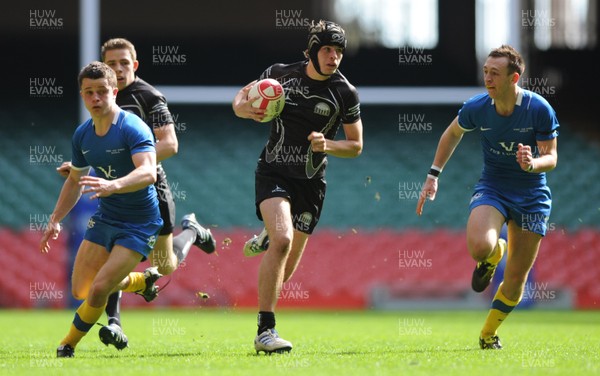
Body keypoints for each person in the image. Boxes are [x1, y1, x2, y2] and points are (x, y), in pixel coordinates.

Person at [57, 37, 216, 350]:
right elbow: (95, 150)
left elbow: (170, 144)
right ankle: (115, 322)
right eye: (111, 63)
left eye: (123, 63)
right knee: (102, 271)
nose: (117, 69)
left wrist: (125, 165)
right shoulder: (97, 95)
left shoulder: (148, 97)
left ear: (135, 65)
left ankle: (192, 233)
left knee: (165, 264)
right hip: (113, 196)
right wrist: (93, 164)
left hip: (150, 190)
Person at [232, 20, 363, 354]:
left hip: (311, 184)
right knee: (283, 240)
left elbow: (356, 145)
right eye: (327, 50)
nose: (334, 57)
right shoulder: (279, 75)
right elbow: (238, 102)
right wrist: (250, 110)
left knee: (284, 275)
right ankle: (265, 333)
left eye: (339, 51)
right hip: (273, 171)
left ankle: (270, 234)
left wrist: (327, 145)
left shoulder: (344, 93)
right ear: (312, 50)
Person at [416, 45, 559, 349]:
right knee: (480, 246)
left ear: (514, 77)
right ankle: (494, 255)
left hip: (532, 195)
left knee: (517, 279)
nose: (488, 78)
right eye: (485, 72)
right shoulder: (477, 107)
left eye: (495, 73)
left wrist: (533, 163)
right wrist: (433, 175)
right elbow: (452, 133)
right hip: (493, 187)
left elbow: (552, 157)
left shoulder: (539, 109)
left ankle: (488, 333)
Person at [41, 61, 164, 357]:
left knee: (98, 290)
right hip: (107, 217)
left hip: (139, 222)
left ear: (114, 92)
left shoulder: (132, 127)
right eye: (88, 93)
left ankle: (67, 344)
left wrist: (114, 185)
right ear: (82, 95)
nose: (95, 98)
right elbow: (75, 180)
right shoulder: (82, 135)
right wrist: (56, 218)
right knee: (81, 291)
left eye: (101, 92)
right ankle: (142, 281)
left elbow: (149, 173)